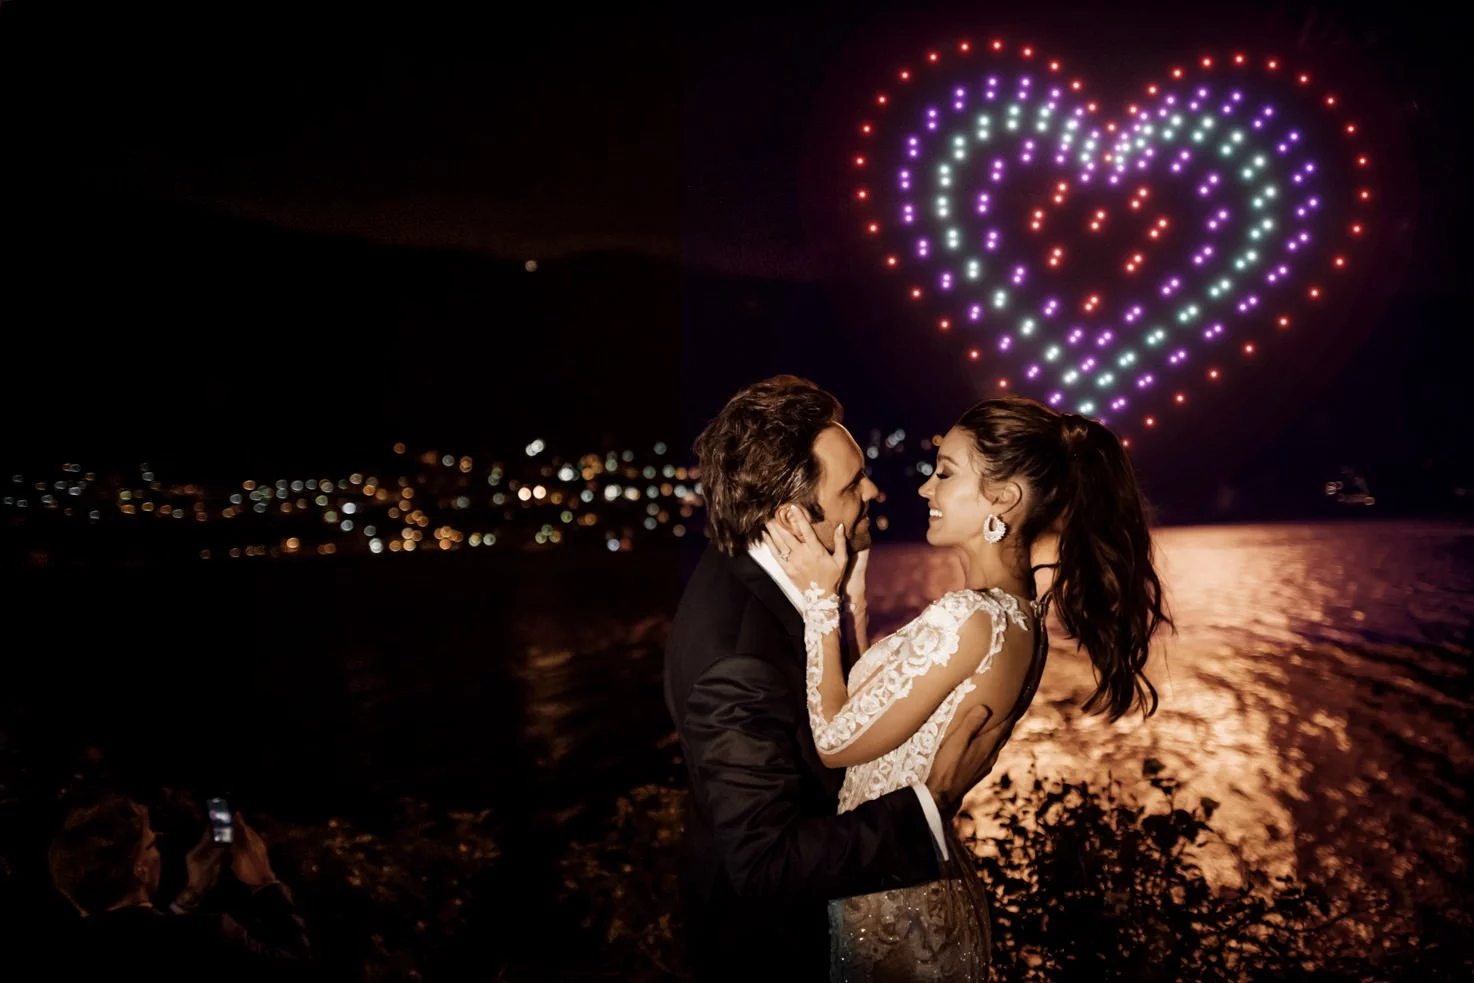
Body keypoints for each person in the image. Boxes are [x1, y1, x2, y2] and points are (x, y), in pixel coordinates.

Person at [761, 394, 1171, 980]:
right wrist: (852, 591)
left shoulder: (970, 619)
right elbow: (865, 705)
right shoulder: (1018, 617)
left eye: (946, 473)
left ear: (1003, 499)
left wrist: (818, 601)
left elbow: (832, 739)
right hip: (910, 884)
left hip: (898, 910)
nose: (926, 488)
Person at [664, 376, 1011, 981]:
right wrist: (931, 806)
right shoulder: (737, 661)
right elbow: (766, 865)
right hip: (775, 957)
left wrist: (848, 610)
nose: (873, 490)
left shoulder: (763, 571)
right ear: (791, 517)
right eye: (852, 485)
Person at [48, 794, 311, 981]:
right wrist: (265, 882)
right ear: (140, 869)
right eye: (152, 844)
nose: (158, 853)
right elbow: (297, 968)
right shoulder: (208, 936)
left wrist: (189, 898)